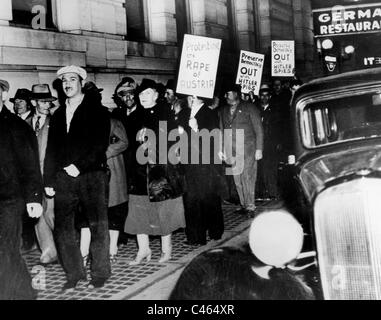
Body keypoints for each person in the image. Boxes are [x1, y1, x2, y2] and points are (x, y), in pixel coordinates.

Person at [44, 65, 111, 291]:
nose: (67, 84)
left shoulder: (98, 111)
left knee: (98, 225)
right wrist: (49, 181)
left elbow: (100, 145)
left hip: (92, 175)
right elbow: (51, 150)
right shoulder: (58, 114)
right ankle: (74, 274)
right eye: (64, 81)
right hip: (64, 178)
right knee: (62, 228)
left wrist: (79, 166)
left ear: (81, 83)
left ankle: (100, 273)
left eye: (72, 79)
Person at [124, 78, 185, 265]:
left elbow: (174, 142)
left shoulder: (165, 113)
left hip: (160, 171)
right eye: (141, 94)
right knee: (138, 210)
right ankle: (143, 249)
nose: (143, 97)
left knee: (163, 211)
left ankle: (166, 250)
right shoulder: (134, 116)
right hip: (138, 172)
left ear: (156, 95)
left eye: (148, 93)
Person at [0, 79, 43, 300]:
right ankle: (25, 291)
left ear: (4, 95)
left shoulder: (15, 127)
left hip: (9, 200)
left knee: (5, 250)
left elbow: (30, 165)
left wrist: (34, 197)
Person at [79, 82, 129, 265]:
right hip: (87, 174)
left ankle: (112, 249)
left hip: (111, 173)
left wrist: (103, 153)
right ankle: (83, 253)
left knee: (113, 212)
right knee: (86, 214)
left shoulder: (112, 120)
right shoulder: (79, 120)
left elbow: (123, 142)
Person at [181, 95, 225, 246]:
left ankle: (215, 231)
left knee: (208, 197)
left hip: (206, 161)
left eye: (194, 95)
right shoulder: (183, 113)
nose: (191, 98)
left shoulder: (210, 113)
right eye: (189, 95)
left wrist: (196, 128)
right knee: (191, 198)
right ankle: (195, 236)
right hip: (189, 161)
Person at [219, 82, 264, 216]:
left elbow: (259, 129)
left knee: (247, 177)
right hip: (231, 149)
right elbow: (221, 130)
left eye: (228, 93)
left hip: (248, 148)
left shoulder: (249, 107)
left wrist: (259, 149)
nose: (225, 96)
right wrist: (221, 149)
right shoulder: (223, 110)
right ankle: (243, 204)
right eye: (225, 94)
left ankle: (250, 206)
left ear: (236, 94)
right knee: (237, 179)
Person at [26, 84, 58, 265]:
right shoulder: (25, 124)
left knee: (51, 213)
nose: (47, 105)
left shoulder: (56, 123)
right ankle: (48, 250)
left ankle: (67, 248)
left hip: (50, 175)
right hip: (32, 176)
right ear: (33, 102)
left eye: (49, 102)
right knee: (37, 213)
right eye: (43, 101)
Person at [257, 84, 282, 200]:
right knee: (260, 168)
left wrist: (278, 142)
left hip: (271, 144)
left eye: (267, 96)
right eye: (262, 96)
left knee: (271, 168)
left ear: (270, 97)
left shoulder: (275, 110)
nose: (264, 98)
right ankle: (261, 192)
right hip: (259, 143)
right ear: (259, 97)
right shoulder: (256, 110)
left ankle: (272, 192)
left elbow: (279, 128)